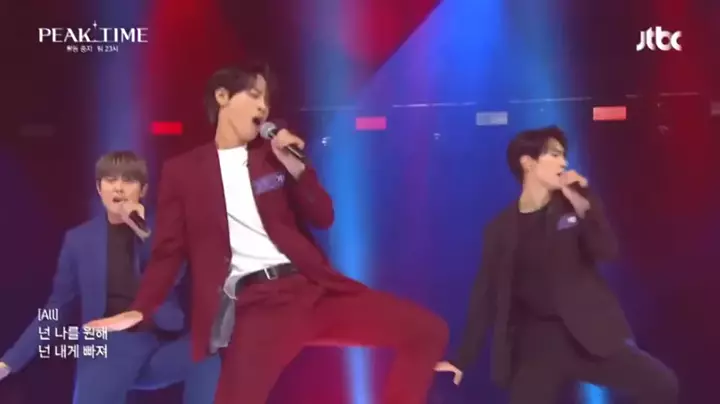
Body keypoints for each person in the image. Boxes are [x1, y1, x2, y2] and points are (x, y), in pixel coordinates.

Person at [85, 64, 449, 404]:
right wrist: (140, 310)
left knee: (427, 331)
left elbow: (323, 217)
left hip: (313, 292)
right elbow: (168, 252)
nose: (263, 106)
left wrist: (299, 171)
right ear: (223, 97)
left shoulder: (272, 159)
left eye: (267, 100)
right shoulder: (183, 172)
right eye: (254, 95)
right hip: (260, 306)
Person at [435, 127, 679, 403]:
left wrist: (580, 202)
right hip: (538, 344)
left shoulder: (574, 206)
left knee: (663, 384)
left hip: (588, 334)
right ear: (528, 162)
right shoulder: (499, 229)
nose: (564, 163)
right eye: (554, 155)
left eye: (564, 155)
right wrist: (461, 359)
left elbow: (606, 250)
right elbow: (484, 297)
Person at [0, 151, 220, 404]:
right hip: (109, 343)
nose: (118, 187)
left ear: (143, 190)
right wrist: (9, 362)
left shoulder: (165, 231)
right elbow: (56, 309)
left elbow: (178, 270)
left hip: (160, 342)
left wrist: (142, 231)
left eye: (128, 180)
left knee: (209, 352)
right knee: (108, 342)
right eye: (110, 180)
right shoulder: (79, 240)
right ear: (99, 188)